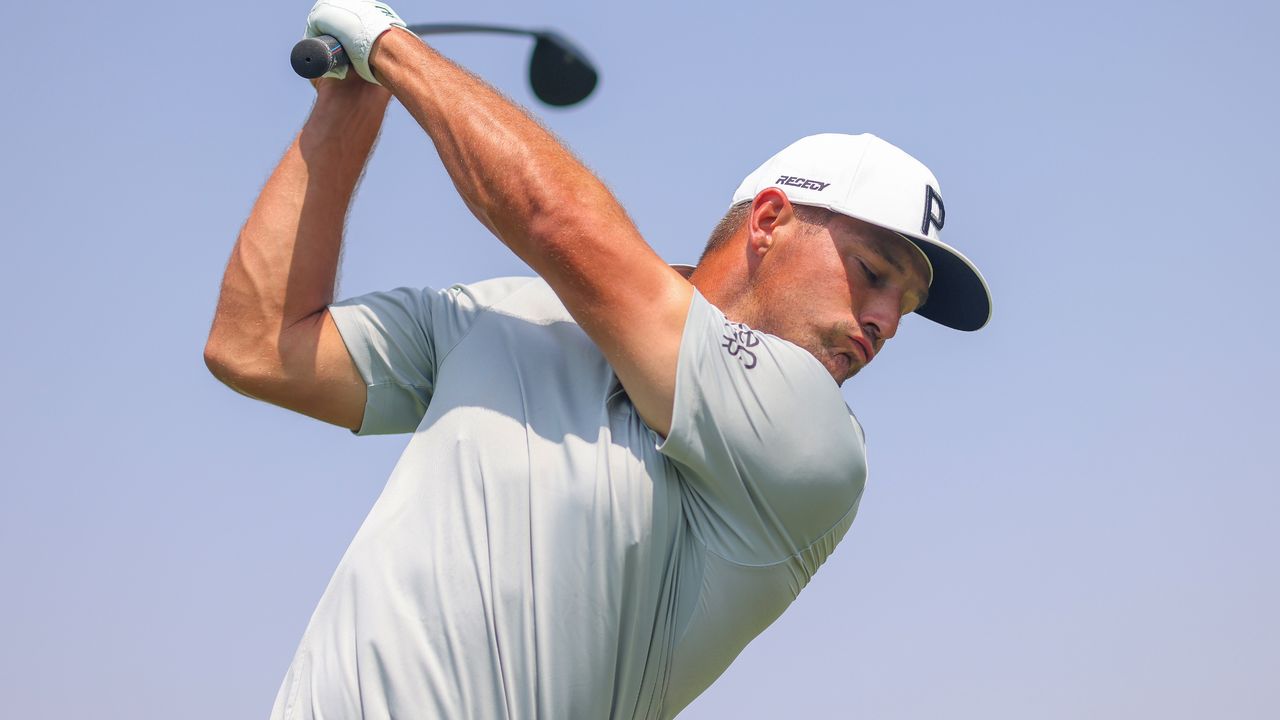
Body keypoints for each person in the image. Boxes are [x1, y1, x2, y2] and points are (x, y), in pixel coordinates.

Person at [203, 2, 992, 718]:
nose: (886, 321)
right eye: (874, 273)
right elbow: (256, 346)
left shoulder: (815, 447)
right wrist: (352, 101)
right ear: (771, 221)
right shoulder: (510, 316)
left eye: (906, 307)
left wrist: (388, 48)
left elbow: (557, 224)